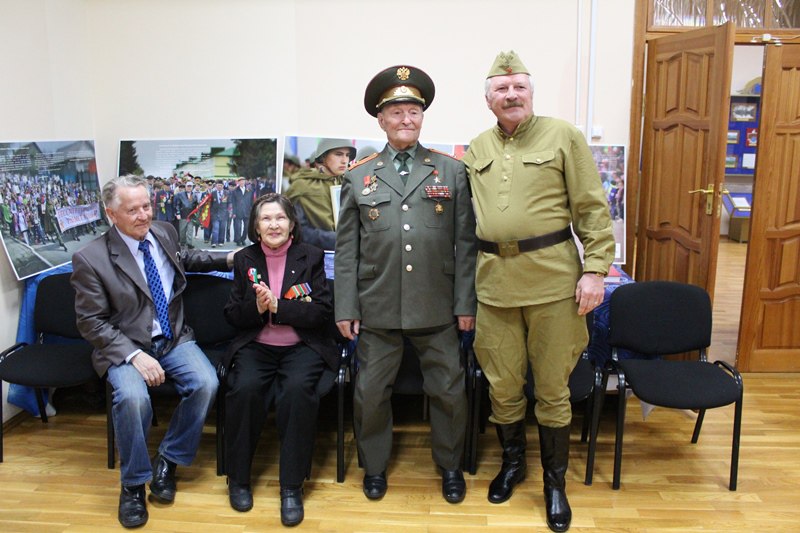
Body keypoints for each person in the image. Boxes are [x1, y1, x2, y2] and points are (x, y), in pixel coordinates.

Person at [462, 51, 615, 533]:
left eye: (519, 88)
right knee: (503, 386)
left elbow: (592, 207)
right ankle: (513, 464)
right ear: (488, 100)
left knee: (551, 389)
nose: (511, 95)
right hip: (494, 286)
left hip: (553, 284)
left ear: (531, 93)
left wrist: (595, 270)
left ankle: (554, 483)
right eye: (502, 89)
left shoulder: (563, 136)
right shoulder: (476, 148)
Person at [335, 65, 477, 504]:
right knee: (369, 393)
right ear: (381, 120)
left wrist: (465, 303)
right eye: (396, 112)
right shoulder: (358, 176)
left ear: (422, 117)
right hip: (377, 305)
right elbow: (346, 250)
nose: (406, 119)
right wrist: (346, 307)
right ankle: (374, 467)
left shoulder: (450, 171)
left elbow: (466, 244)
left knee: (449, 391)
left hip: (437, 304)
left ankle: (450, 466)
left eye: (413, 111)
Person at [70, 174, 233, 528]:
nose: (144, 215)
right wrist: (133, 355)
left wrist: (229, 259)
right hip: (124, 346)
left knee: (206, 384)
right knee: (133, 398)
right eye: (133, 210)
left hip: (172, 338)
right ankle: (132, 486)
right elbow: (91, 323)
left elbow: (184, 257)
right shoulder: (90, 258)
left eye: (146, 206)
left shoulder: (163, 231)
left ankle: (168, 460)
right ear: (111, 214)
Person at [220, 193, 337, 525]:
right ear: (256, 227)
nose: (274, 225)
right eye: (266, 219)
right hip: (257, 345)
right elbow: (232, 315)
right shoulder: (245, 259)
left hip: (302, 346)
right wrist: (256, 308)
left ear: (292, 225)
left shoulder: (311, 256)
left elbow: (321, 312)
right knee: (244, 390)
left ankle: (291, 487)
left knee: (297, 393)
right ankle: (238, 480)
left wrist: (278, 307)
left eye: (280, 218)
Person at [285, 138, 355, 250]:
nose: (344, 160)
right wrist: (333, 238)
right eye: (338, 154)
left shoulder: (350, 184)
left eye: (347, 155)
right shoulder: (302, 186)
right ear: (323, 157)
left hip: (349, 254)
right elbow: (298, 229)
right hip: (317, 255)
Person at [173, 181, 197, 248]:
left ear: (192, 187)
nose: (189, 188)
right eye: (188, 186)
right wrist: (178, 213)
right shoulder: (180, 194)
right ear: (185, 187)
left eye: (190, 186)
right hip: (183, 214)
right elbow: (177, 205)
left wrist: (196, 214)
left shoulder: (194, 195)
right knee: (182, 230)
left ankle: (189, 243)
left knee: (190, 230)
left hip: (191, 215)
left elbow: (196, 205)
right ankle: (182, 243)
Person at [230, 176, 251, 246]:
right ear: (238, 182)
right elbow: (233, 202)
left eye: (243, 181)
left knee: (247, 227)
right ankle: (238, 240)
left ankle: (243, 239)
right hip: (238, 211)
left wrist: (251, 210)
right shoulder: (235, 191)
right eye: (240, 181)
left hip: (247, 211)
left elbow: (251, 201)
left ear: (245, 182)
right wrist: (233, 212)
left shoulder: (249, 190)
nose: (242, 182)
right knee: (238, 227)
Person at [210, 180, 230, 248]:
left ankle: (221, 241)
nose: (219, 186)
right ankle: (214, 242)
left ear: (223, 186)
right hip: (215, 213)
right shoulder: (213, 193)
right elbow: (210, 204)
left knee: (222, 228)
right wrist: (211, 213)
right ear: (216, 186)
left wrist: (230, 212)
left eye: (221, 185)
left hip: (224, 213)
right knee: (215, 228)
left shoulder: (227, 193)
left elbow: (229, 203)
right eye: (218, 185)